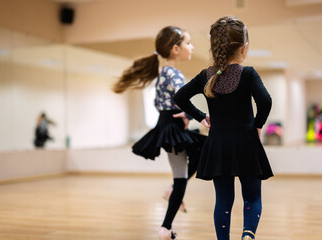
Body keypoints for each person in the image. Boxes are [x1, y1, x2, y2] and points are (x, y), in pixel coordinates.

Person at [174, 16, 273, 240]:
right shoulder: (248, 74)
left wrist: (201, 117)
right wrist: (257, 125)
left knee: (224, 200)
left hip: (218, 145)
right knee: (252, 198)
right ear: (244, 48)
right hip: (246, 142)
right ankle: (248, 235)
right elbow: (265, 102)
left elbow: (180, 97)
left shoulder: (205, 76)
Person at [113, 26, 206, 240]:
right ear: (175, 49)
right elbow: (182, 98)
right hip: (171, 127)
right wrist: (189, 115)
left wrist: (179, 114)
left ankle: (169, 199)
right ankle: (165, 226)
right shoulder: (173, 73)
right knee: (186, 171)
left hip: (166, 125)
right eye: (188, 43)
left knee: (188, 166)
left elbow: (159, 103)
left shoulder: (163, 72)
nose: (192, 47)